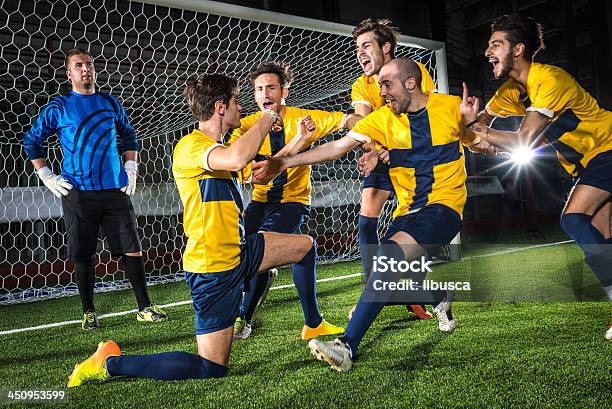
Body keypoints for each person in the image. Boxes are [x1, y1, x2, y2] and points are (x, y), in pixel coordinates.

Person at [66, 73, 345, 387]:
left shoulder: (223, 147)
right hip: (213, 267)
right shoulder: (191, 146)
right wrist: (268, 117)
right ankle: (111, 362)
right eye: (238, 101)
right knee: (211, 368)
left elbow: (264, 169)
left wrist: (298, 141)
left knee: (305, 246)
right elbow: (238, 156)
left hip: (242, 250)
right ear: (221, 107)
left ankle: (313, 323)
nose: (243, 107)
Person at [252, 58, 479, 370]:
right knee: (393, 282)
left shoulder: (451, 106)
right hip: (407, 211)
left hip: (444, 207)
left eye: (387, 85)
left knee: (386, 259)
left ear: (410, 83)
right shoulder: (383, 118)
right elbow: (337, 147)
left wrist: (474, 125)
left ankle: (346, 346)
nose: (381, 92)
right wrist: (284, 163)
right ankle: (439, 296)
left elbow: (480, 141)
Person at [464, 14, 612, 340]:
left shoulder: (549, 80)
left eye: (496, 44)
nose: (487, 51)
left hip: (608, 148)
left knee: (574, 219)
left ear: (518, 49)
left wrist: (481, 130)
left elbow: (523, 139)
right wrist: (471, 132)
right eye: (488, 45)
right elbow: (478, 130)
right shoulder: (508, 92)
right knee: (601, 237)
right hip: (590, 163)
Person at [22, 48, 166, 330]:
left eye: (89, 65)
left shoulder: (110, 102)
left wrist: (131, 168)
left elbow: (129, 136)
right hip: (78, 192)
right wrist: (47, 175)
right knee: (83, 253)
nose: (85, 69)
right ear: (69, 74)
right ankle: (88, 312)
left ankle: (144, 307)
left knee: (132, 248)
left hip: (114, 189)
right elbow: (31, 141)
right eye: (79, 66)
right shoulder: (58, 107)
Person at [229, 61, 352, 340]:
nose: (264, 94)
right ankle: (246, 311)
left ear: (284, 90)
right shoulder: (247, 127)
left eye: (271, 87)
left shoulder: (302, 117)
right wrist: (297, 142)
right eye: (259, 89)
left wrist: (367, 129)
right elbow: (254, 176)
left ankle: (245, 319)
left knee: (261, 244)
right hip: (259, 203)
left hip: (293, 202)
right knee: (244, 255)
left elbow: (344, 120)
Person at [350, 18, 440, 320]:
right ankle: (372, 290)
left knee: (416, 226)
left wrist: (399, 147)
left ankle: (416, 294)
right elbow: (363, 125)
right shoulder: (362, 85)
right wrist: (375, 150)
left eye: (366, 45)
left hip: (414, 156)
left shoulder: (413, 72)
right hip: (380, 155)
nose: (360, 52)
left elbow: (427, 112)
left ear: (385, 47)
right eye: (357, 47)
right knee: (366, 222)